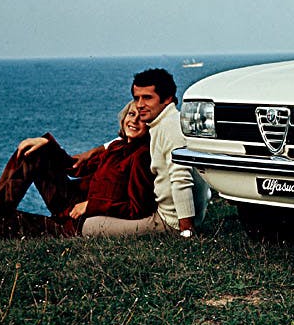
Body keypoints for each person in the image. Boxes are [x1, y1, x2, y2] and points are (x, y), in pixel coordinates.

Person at [0, 102, 155, 244]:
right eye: (131, 114)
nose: (133, 121)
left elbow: (137, 207)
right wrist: (46, 144)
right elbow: (73, 167)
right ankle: (1, 203)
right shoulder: (115, 146)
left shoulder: (142, 156)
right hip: (70, 203)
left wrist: (92, 205)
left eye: (141, 117)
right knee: (33, 153)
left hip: (75, 222)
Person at [81, 68, 209, 238]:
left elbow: (181, 180)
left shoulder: (170, 128)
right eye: (136, 98)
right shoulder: (161, 122)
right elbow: (124, 138)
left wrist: (186, 231)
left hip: (169, 222)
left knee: (88, 226)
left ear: (167, 99)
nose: (140, 104)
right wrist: (96, 150)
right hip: (170, 216)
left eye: (147, 97)